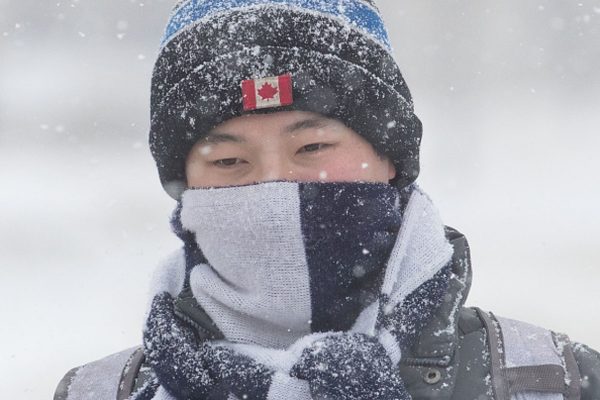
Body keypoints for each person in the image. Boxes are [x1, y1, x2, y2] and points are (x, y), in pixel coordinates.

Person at [54, 1, 600, 399]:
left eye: (312, 146)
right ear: (186, 187)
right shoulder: (97, 393)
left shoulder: (552, 381)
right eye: (228, 162)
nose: (274, 185)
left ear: (390, 159)